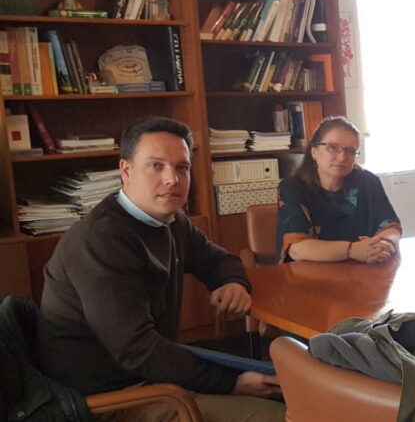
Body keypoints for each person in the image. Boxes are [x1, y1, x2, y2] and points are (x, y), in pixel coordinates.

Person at [36, 117, 285, 421]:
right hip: (110, 398)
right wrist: (232, 383)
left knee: (293, 391)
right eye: (156, 166)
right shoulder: (102, 240)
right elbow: (137, 349)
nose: (172, 180)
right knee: (281, 415)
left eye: (182, 168)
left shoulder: (170, 219)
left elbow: (219, 260)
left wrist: (233, 282)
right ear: (126, 170)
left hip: (153, 374)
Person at [277, 116, 401, 263]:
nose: (342, 157)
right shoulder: (292, 187)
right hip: (311, 273)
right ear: (314, 151)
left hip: (364, 271)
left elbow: (391, 227)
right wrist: (353, 250)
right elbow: (297, 248)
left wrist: (385, 243)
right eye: (333, 148)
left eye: (350, 151)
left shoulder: (368, 182)